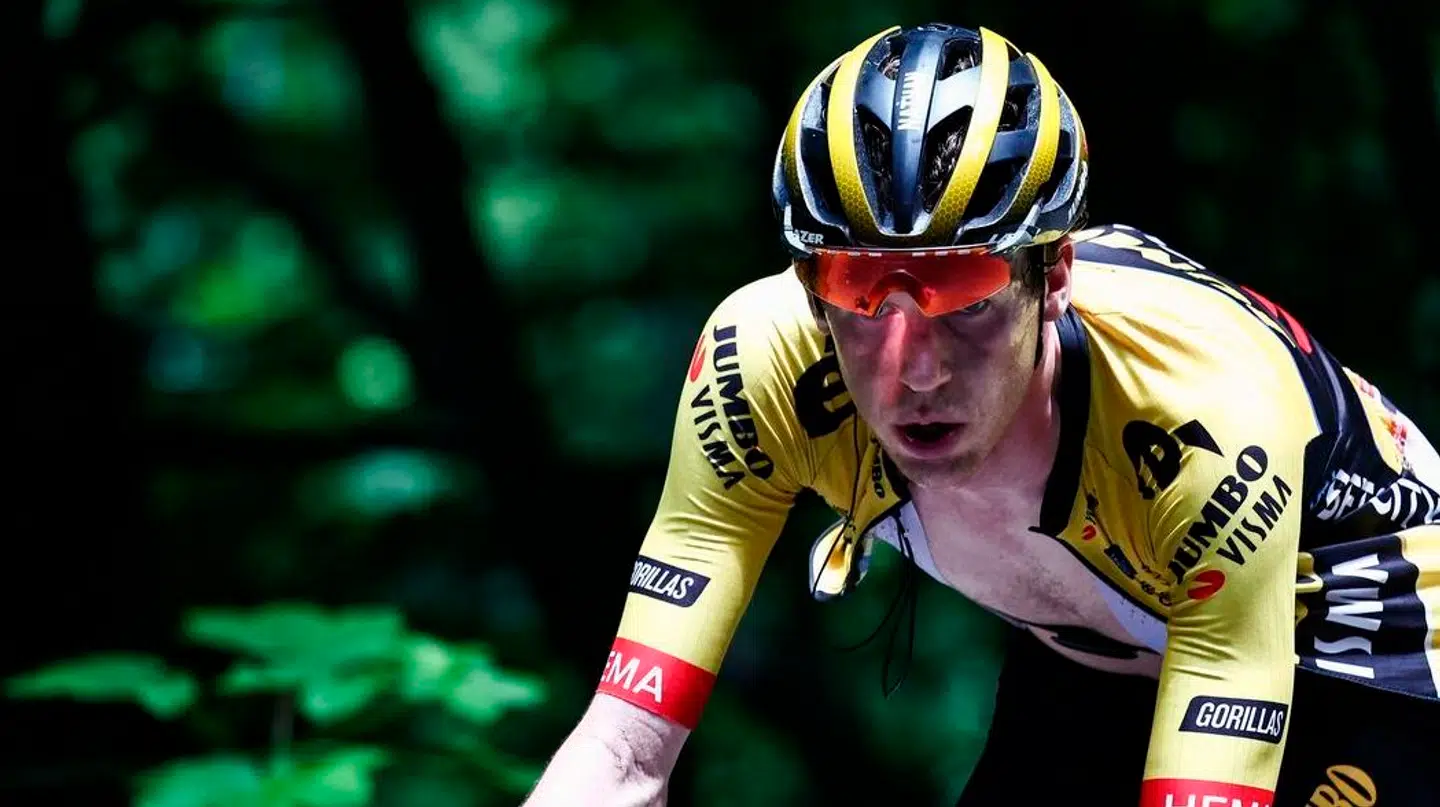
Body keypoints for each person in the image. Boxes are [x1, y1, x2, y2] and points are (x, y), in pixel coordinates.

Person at [522, 22, 1440, 807]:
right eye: (858, 292)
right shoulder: (758, 368)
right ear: (809, 286)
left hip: (1368, 651)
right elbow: (622, 758)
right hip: (1101, 650)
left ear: (1057, 277)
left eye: (964, 298)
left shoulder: (1199, 409)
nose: (913, 369)